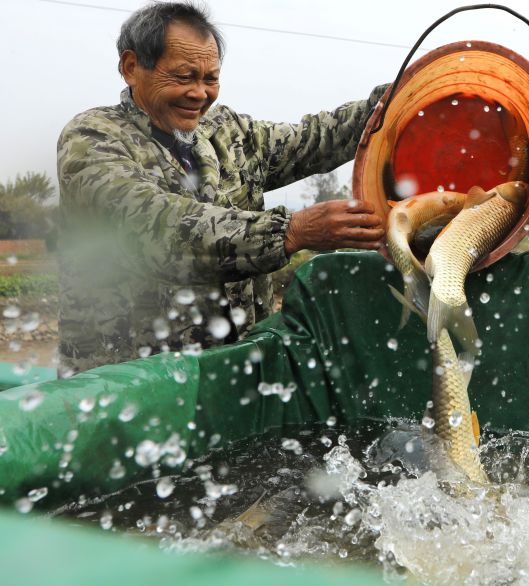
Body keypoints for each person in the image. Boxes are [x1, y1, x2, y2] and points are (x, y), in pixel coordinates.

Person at [57, 2, 387, 376]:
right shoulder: (92, 140)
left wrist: (392, 101)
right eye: (184, 77)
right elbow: (158, 229)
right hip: (128, 389)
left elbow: (316, 138)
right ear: (132, 68)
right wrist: (292, 231)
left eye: (210, 78)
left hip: (231, 379)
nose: (199, 93)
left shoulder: (227, 133)